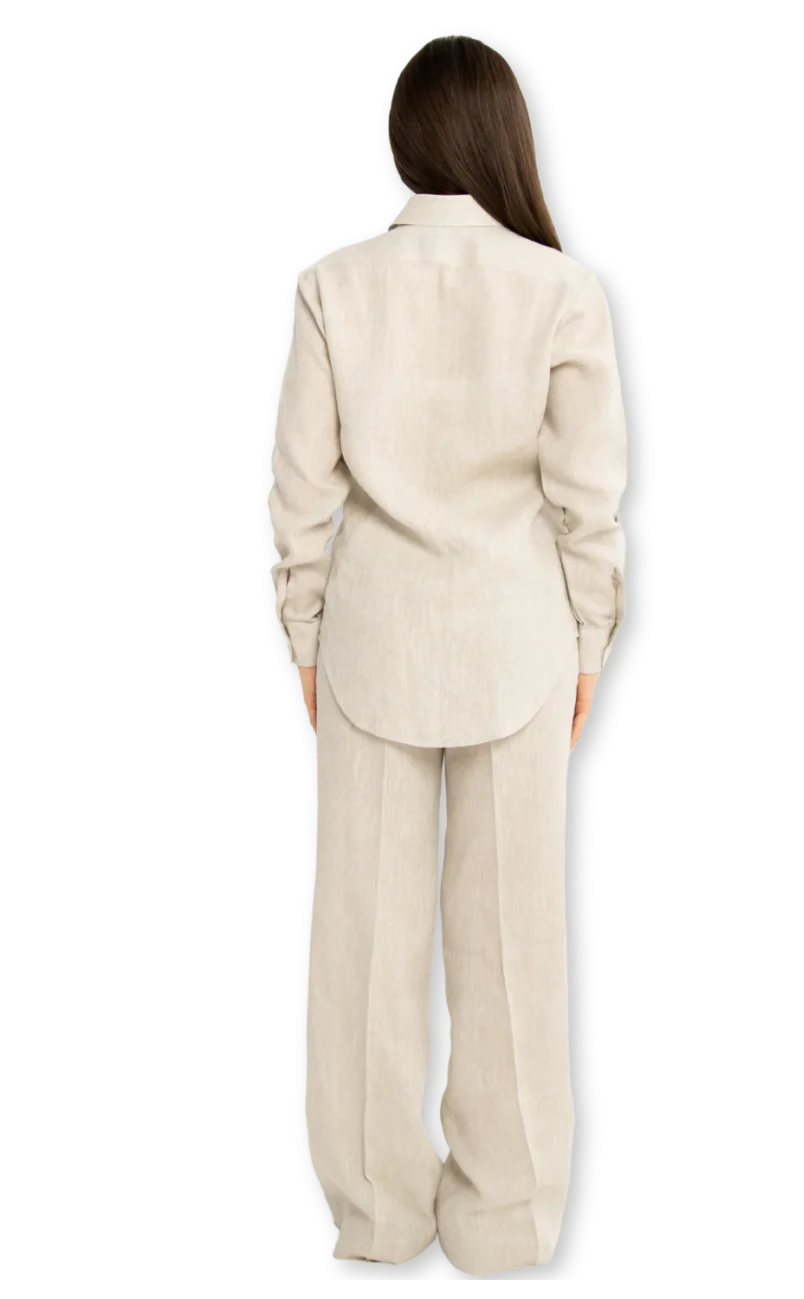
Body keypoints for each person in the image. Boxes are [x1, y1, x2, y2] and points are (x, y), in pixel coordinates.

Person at [266, 32, 628, 1277]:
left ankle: (374, 1221)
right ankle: (507, 1227)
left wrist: (305, 639)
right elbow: (589, 501)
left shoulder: (334, 287)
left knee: (361, 944)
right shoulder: (559, 291)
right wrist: (588, 642)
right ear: (503, 141)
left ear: (402, 141)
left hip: (372, 641)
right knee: (513, 945)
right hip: (518, 643)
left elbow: (295, 498)